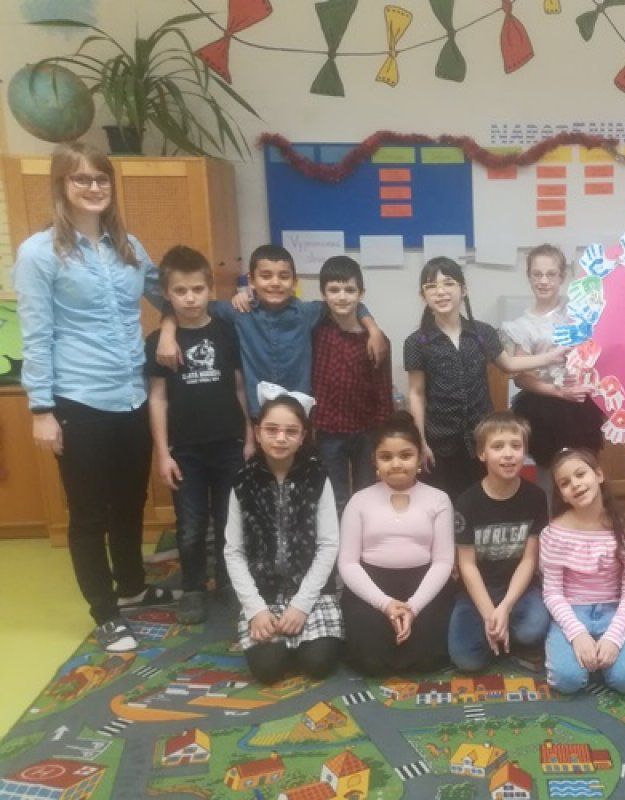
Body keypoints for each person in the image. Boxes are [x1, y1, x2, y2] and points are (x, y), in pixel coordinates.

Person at [15, 142, 173, 653]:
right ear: (61, 185)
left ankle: (132, 586)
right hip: (78, 399)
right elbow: (36, 333)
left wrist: (172, 325)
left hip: (131, 396)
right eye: (81, 178)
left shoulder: (128, 246)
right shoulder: (39, 253)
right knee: (87, 513)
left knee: (130, 500)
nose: (93, 187)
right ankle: (104, 612)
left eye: (101, 178)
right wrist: (41, 409)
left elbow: (170, 295)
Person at [146, 246, 254, 624]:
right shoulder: (158, 342)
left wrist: (249, 436)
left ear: (210, 289)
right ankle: (193, 588)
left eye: (197, 289)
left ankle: (226, 581)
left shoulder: (226, 332)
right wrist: (163, 453)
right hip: (185, 451)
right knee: (191, 525)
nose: (190, 298)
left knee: (228, 521)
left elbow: (240, 387)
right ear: (167, 294)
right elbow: (157, 400)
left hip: (228, 444)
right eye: (180, 291)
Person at [157, 244, 386, 418]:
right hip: (258, 413)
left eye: (284, 276)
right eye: (266, 276)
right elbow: (189, 306)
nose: (275, 283)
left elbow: (348, 304)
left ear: (294, 282)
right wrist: (167, 333)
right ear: (252, 280)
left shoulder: (307, 312)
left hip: (299, 412)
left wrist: (373, 330)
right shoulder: (239, 312)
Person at [404, 257, 567, 499]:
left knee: (482, 500)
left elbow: (509, 364)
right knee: (443, 503)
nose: (440, 292)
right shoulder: (416, 342)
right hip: (439, 440)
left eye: (448, 283)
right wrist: (420, 441)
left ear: (463, 289)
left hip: (482, 438)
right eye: (431, 286)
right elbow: (416, 394)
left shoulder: (482, 333)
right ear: (423, 296)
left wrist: (551, 357)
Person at [223, 384, 342, 684]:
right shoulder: (243, 482)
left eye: (290, 431)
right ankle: (280, 641)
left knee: (318, 664)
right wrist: (255, 609)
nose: (280, 438)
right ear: (258, 432)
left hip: (311, 592)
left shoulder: (317, 477)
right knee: (268, 670)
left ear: (303, 436)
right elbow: (233, 551)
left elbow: (328, 545)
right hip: (263, 593)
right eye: (272, 429)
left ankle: (302, 640)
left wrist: (301, 606)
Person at [338, 412, 455, 675]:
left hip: (424, 584)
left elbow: (443, 561)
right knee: (372, 661)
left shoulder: (439, 499)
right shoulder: (359, 500)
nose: (396, 464)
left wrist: (413, 607)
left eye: (405, 455)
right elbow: (347, 563)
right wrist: (385, 604)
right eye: (386, 457)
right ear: (374, 461)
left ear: (419, 458)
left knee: (426, 660)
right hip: (372, 586)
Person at [448, 412, 551, 672]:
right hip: (477, 591)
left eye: (516, 446)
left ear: (524, 451)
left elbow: (529, 559)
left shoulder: (536, 497)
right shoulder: (466, 502)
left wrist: (504, 607)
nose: (508, 454)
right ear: (482, 454)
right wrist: (488, 614)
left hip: (520, 589)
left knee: (532, 629)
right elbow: (467, 565)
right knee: (466, 661)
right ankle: (498, 635)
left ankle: (506, 635)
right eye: (497, 447)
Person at [540, 448, 625, 694]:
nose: (575, 485)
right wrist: (577, 634)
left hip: (614, 611)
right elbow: (552, 592)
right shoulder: (554, 533)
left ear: (599, 475)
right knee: (566, 681)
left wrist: (613, 637)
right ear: (562, 495)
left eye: (580, 474)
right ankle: (581, 654)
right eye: (565, 483)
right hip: (571, 611)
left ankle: (599, 658)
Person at [501, 245, 605, 491]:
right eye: (537, 274)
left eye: (551, 274)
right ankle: (551, 516)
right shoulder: (522, 325)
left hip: (581, 405)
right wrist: (558, 392)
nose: (544, 281)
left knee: (586, 471)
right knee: (550, 477)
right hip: (545, 408)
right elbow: (521, 378)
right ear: (529, 276)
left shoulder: (580, 312)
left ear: (562, 277)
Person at [312, 256, 393, 513]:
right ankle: (337, 540)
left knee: (367, 494)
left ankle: (364, 538)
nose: (342, 297)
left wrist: (383, 434)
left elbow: (383, 392)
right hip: (328, 431)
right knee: (333, 497)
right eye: (334, 290)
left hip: (366, 431)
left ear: (361, 294)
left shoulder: (377, 340)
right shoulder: (316, 332)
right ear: (323, 294)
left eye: (349, 290)